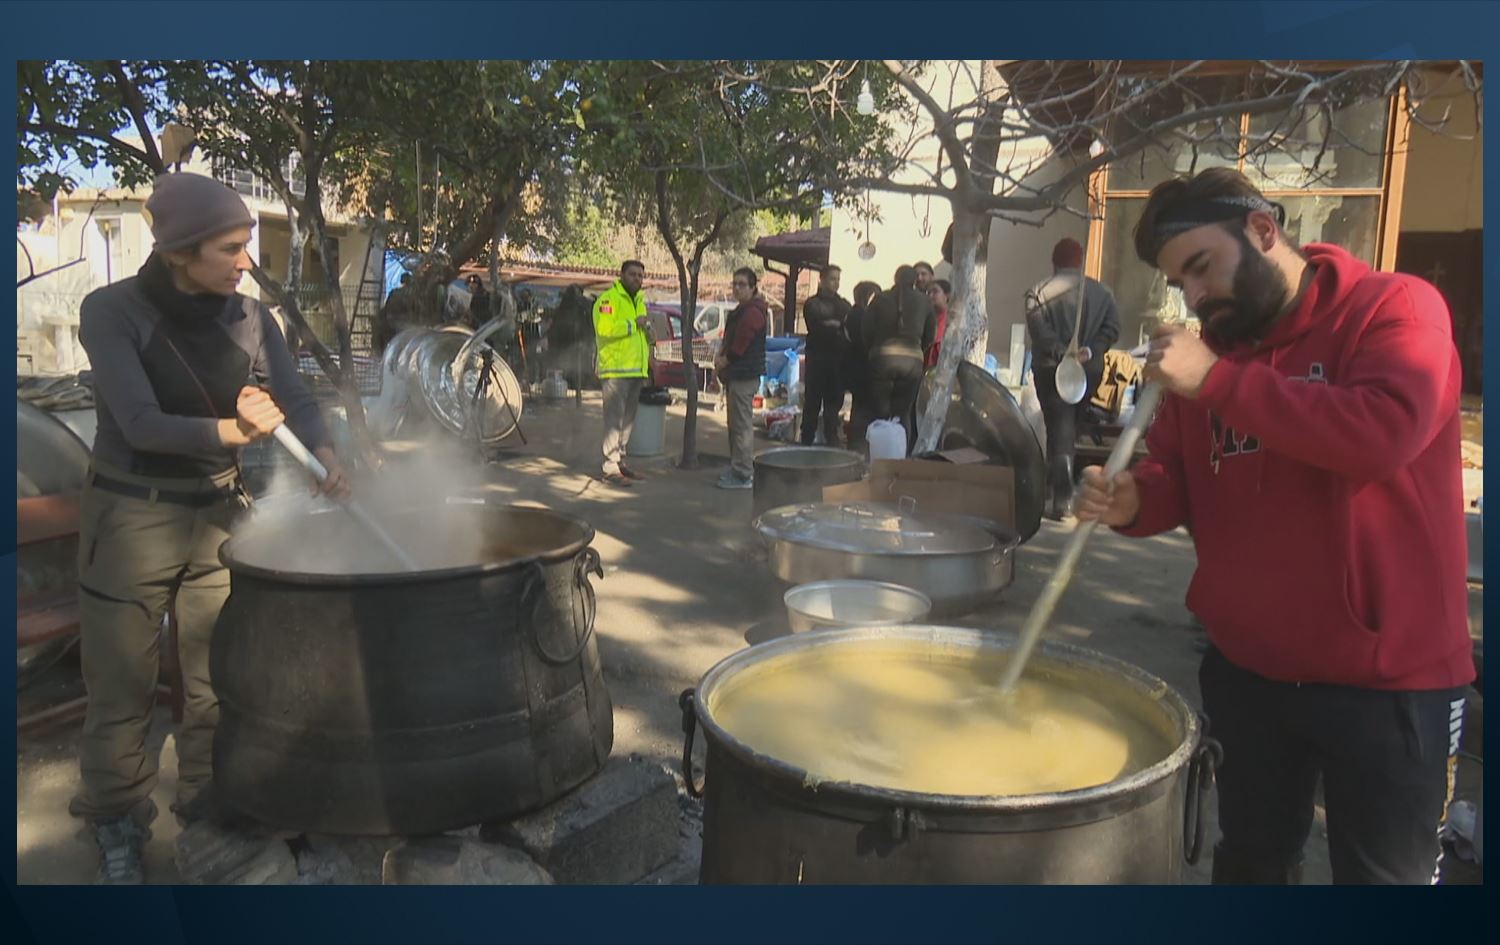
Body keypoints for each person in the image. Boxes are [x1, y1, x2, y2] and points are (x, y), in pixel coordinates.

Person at [1075, 167, 1474, 885]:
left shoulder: (1394, 309)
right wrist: (1132, 499)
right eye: (1181, 283)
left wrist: (1219, 382)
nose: (1195, 297)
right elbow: (1175, 474)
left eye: (1202, 267)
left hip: (1389, 685)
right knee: (1252, 865)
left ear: (1263, 230)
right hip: (1249, 674)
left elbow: (1381, 432)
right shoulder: (1212, 356)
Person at [71, 172, 352, 883]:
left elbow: (294, 397)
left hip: (217, 516)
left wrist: (324, 453)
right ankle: (116, 818)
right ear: (178, 252)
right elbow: (139, 421)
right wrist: (235, 429)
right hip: (131, 517)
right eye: (230, 247)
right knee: (122, 684)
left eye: (246, 245)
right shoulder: (111, 311)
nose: (245, 261)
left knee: (214, 674)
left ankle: (206, 800)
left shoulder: (252, 317)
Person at [1024, 237, 1121, 519]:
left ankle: (1061, 498)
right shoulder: (1103, 292)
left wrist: (1061, 351)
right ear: (1080, 263)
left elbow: (1039, 332)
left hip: (1051, 368)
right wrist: (1091, 350)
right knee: (1070, 425)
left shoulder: (1037, 291)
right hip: (1089, 369)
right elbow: (1112, 328)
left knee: (1059, 428)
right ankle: (1057, 490)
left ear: (1055, 262)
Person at [864, 265, 934, 456]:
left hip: (882, 359)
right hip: (912, 362)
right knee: (903, 413)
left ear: (895, 279)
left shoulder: (880, 299)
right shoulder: (925, 302)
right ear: (915, 281)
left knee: (880, 412)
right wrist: (917, 349)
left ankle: (877, 459)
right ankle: (901, 460)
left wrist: (873, 350)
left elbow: (866, 330)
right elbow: (930, 336)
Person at [592, 260, 652, 487]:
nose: (637, 279)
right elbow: (604, 330)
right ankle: (609, 466)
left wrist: (649, 340)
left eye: (640, 275)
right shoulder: (608, 299)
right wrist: (632, 324)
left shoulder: (640, 301)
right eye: (633, 274)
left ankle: (620, 460)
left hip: (636, 370)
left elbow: (642, 331)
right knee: (614, 420)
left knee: (627, 421)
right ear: (622, 275)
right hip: (615, 370)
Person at [714, 267, 769, 489]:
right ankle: (738, 467)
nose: (737, 288)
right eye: (734, 283)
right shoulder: (744, 309)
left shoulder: (752, 312)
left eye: (742, 284)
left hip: (744, 374)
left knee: (741, 426)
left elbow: (740, 344)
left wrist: (724, 360)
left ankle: (743, 473)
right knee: (736, 425)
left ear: (753, 287)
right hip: (738, 374)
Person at [799, 265, 851, 447]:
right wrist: (836, 326)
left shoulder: (844, 304)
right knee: (812, 403)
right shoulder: (812, 304)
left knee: (833, 405)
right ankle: (806, 440)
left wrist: (833, 325)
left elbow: (847, 328)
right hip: (817, 361)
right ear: (822, 279)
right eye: (832, 278)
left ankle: (831, 440)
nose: (836, 283)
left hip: (837, 363)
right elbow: (817, 327)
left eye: (838, 279)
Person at [843, 280, 881, 452]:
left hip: (855, 366)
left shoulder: (854, 314)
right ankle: (858, 445)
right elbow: (865, 341)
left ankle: (857, 442)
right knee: (863, 408)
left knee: (860, 407)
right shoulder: (859, 316)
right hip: (862, 367)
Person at [924, 278, 951, 370]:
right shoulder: (927, 317)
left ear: (946, 295)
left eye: (935, 292)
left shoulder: (953, 318)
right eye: (928, 293)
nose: (930, 296)